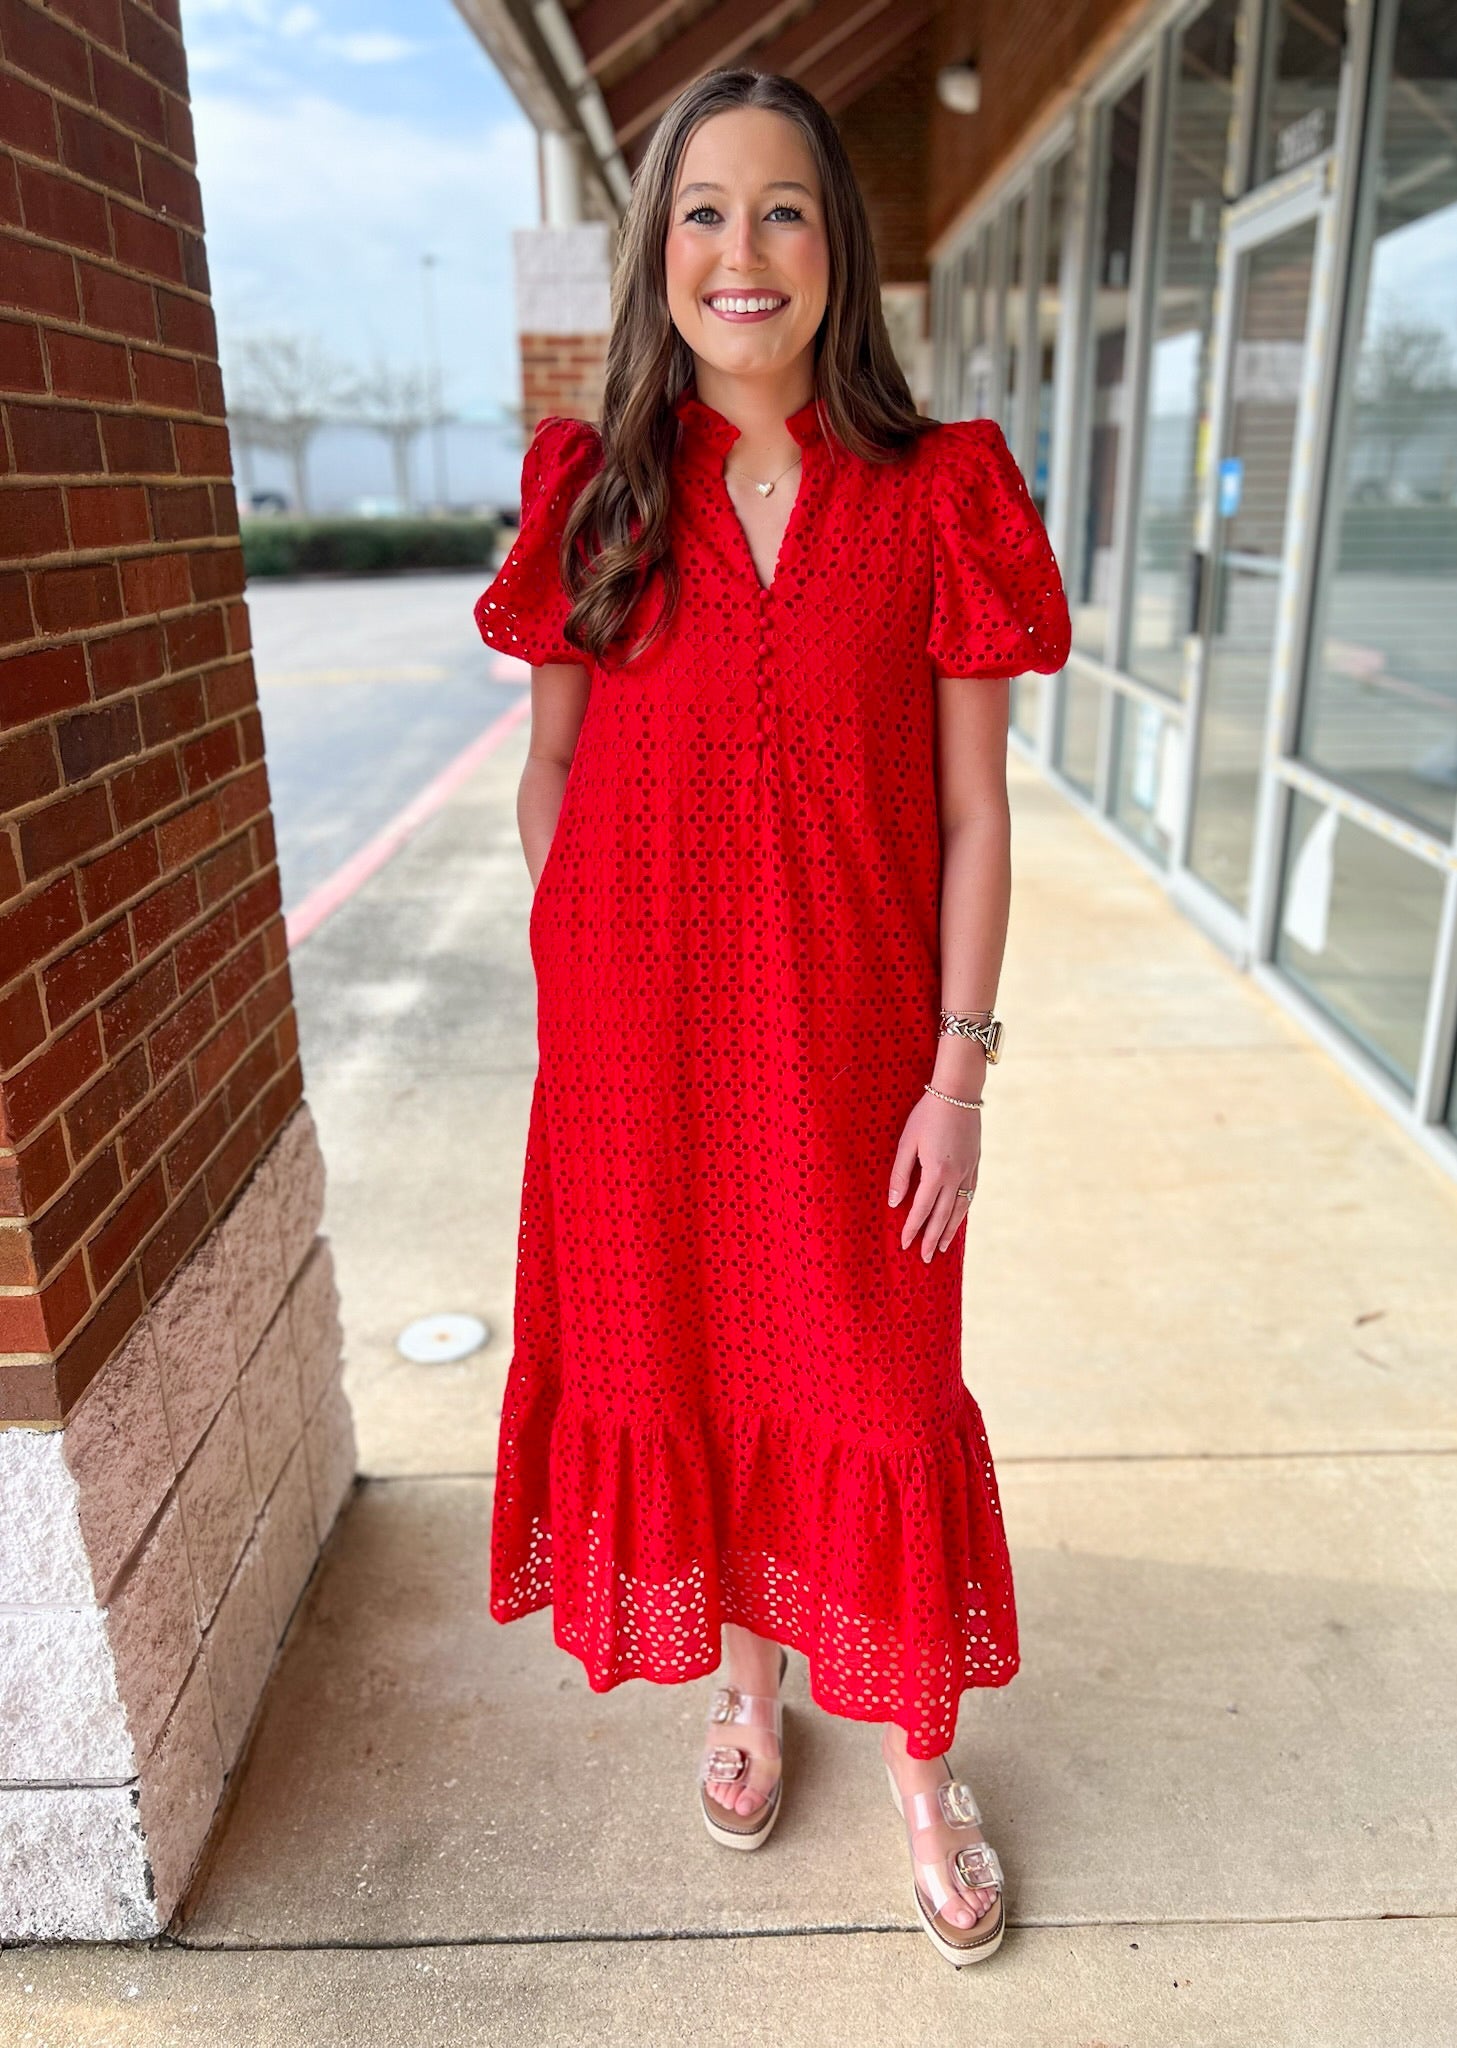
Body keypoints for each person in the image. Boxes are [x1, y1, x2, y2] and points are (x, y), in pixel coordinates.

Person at [473, 67, 1071, 1969]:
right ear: (659, 250)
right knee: (713, 1388)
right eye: (704, 212)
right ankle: (747, 1690)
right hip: (639, 1065)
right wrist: (588, 967)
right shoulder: (596, 488)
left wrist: (958, 1069)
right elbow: (549, 760)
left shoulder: (939, 492)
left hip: (849, 1066)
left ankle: (915, 1763)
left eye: (784, 209)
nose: (742, 250)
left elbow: (975, 811)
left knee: (876, 1397)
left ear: (839, 249)